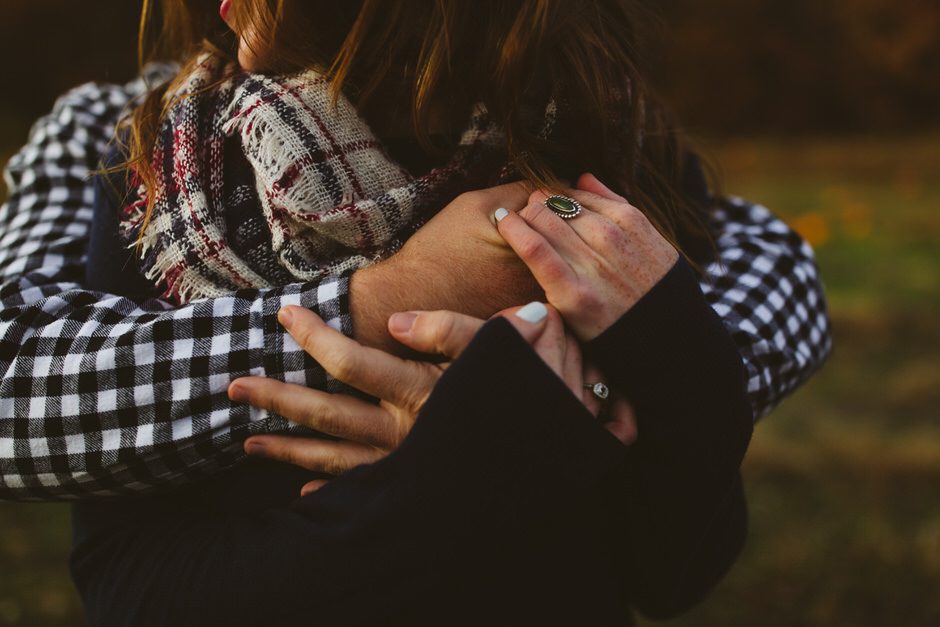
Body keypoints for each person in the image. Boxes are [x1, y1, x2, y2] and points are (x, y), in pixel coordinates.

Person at [0, 0, 830, 501]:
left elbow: (768, 258)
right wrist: (382, 306)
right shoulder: (124, 139)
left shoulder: (589, 126)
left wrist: (605, 391)